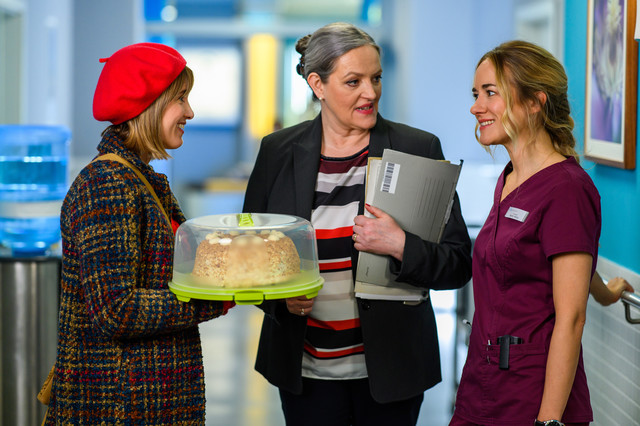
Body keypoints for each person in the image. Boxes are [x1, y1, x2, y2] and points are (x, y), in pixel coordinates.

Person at [243, 22, 472, 426]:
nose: (371, 93)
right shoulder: (278, 152)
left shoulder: (418, 148)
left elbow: (456, 262)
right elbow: (251, 258)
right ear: (318, 84)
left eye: (376, 78)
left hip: (391, 374)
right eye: (354, 81)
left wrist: (401, 244)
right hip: (305, 372)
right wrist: (278, 300)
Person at [46, 43, 233, 424]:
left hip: (143, 401)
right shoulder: (107, 184)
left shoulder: (137, 179)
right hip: (119, 405)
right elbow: (116, 311)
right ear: (148, 104)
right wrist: (213, 299)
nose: (190, 112)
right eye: (181, 99)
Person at [450, 40, 601, 426]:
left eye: (490, 93)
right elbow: (550, 259)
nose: (475, 106)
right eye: (475, 94)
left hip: (531, 396)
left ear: (535, 102)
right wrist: (608, 289)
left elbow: (571, 317)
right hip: (481, 384)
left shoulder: (567, 188)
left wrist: (548, 421)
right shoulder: (511, 179)